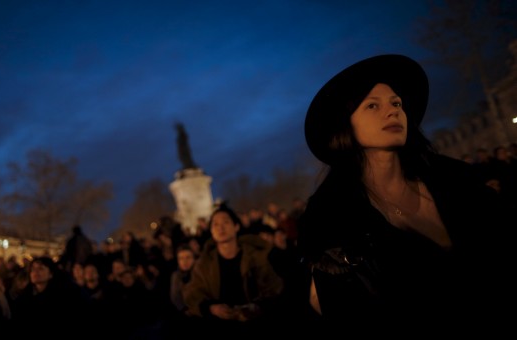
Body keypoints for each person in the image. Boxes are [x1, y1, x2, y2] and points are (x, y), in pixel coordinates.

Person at [299, 54, 513, 335]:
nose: (392, 111)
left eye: (396, 103)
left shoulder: (458, 180)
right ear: (346, 124)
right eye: (372, 105)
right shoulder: (331, 222)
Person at [182, 202, 284, 337]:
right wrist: (212, 308)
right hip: (220, 329)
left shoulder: (257, 257)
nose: (221, 228)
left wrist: (257, 307)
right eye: (215, 224)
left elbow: (273, 288)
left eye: (225, 222)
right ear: (211, 231)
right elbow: (192, 294)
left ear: (236, 226)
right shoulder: (204, 264)